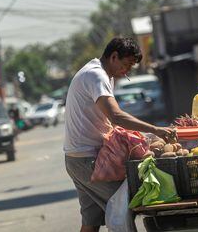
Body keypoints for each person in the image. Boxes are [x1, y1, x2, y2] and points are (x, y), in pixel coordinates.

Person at [64, 37, 176, 232]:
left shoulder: (102, 74)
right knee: (124, 207)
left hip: (77, 159)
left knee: (91, 222)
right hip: (87, 160)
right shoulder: (96, 75)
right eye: (126, 65)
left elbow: (107, 119)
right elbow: (115, 116)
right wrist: (155, 129)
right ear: (114, 56)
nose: (127, 71)